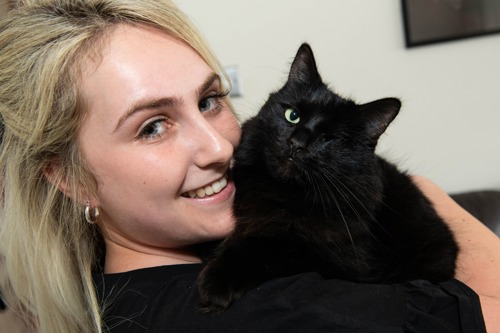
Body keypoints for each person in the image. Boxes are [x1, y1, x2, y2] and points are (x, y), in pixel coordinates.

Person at [0, 1, 498, 332]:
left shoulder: (123, 291)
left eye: (212, 99)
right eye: (153, 126)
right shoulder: (273, 312)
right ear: (69, 177)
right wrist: (428, 194)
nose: (217, 146)